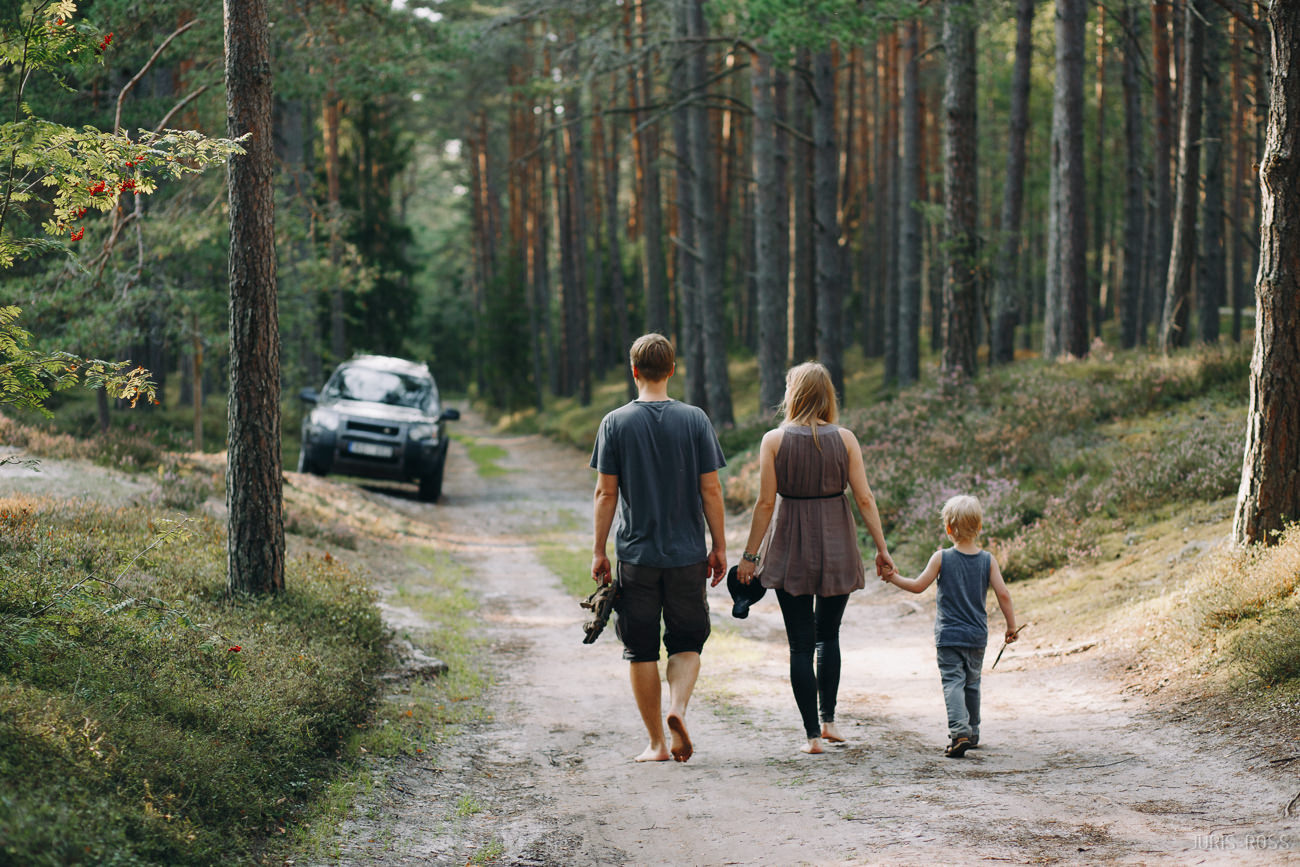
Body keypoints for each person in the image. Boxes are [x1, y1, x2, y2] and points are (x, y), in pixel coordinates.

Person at [735, 362, 896, 754]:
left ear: (793, 394)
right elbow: (864, 498)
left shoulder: (773, 440)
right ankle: (830, 722)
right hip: (837, 542)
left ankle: (811, 736)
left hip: (789, 544)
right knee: (829, 636)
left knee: (800, 645)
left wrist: (749, 557)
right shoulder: (846, 439)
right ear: (828, 395)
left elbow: (765, 503)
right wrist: (882, 548)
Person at [590, 333, 727, 763]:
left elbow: (605, 495)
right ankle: (678, 708)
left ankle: (656, 744)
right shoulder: (696, 420)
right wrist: (719, 546)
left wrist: (599, 550)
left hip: (637, 557)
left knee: (641, 649)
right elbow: (712, 490)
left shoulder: (614, 423)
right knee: (687, 643)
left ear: (634, 371)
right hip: (687, 555)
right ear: (672, 369)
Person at [880, 494, 1018, 757]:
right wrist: (1011, 627)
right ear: (979, 528)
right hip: (977, 635)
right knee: (972, 683)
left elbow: (919, 586)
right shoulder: (988, 560)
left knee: (953, 681)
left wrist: (893, 578)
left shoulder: (941, 558)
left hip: (949, 635)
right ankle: (973, 732)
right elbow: (1004, 595)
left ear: (948, 529)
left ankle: (959, 732)